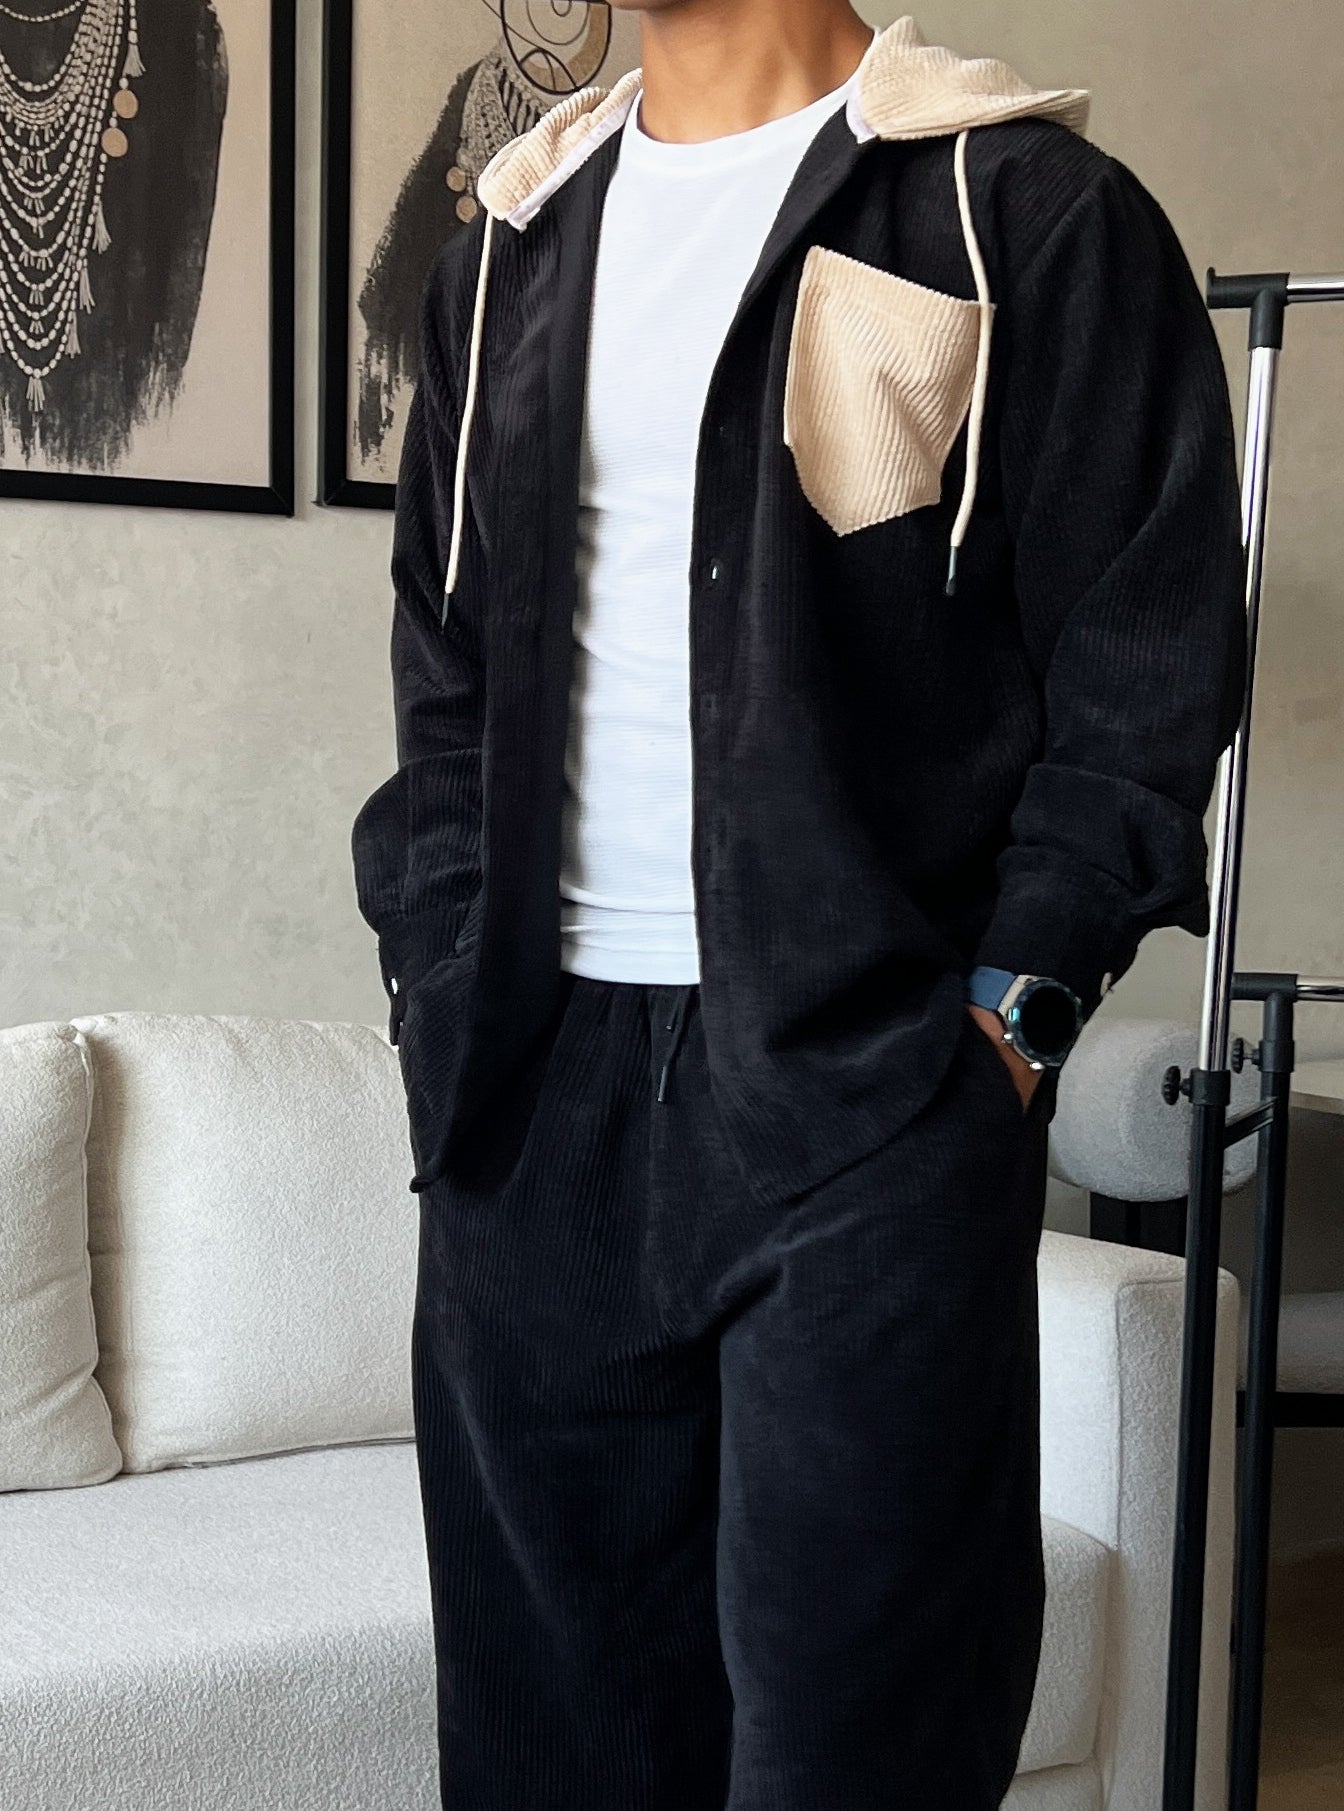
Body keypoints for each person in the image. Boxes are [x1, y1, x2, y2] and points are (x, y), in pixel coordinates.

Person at [351, 3, 1247, 1806]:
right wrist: (437, 978)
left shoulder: (1026, 211)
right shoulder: (505, 251)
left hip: (868, 1093)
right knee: (548, 1754)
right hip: (530, 1101)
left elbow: (1141, 668)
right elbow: (449, 678)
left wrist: (1009, 1024)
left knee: (861, 1749)